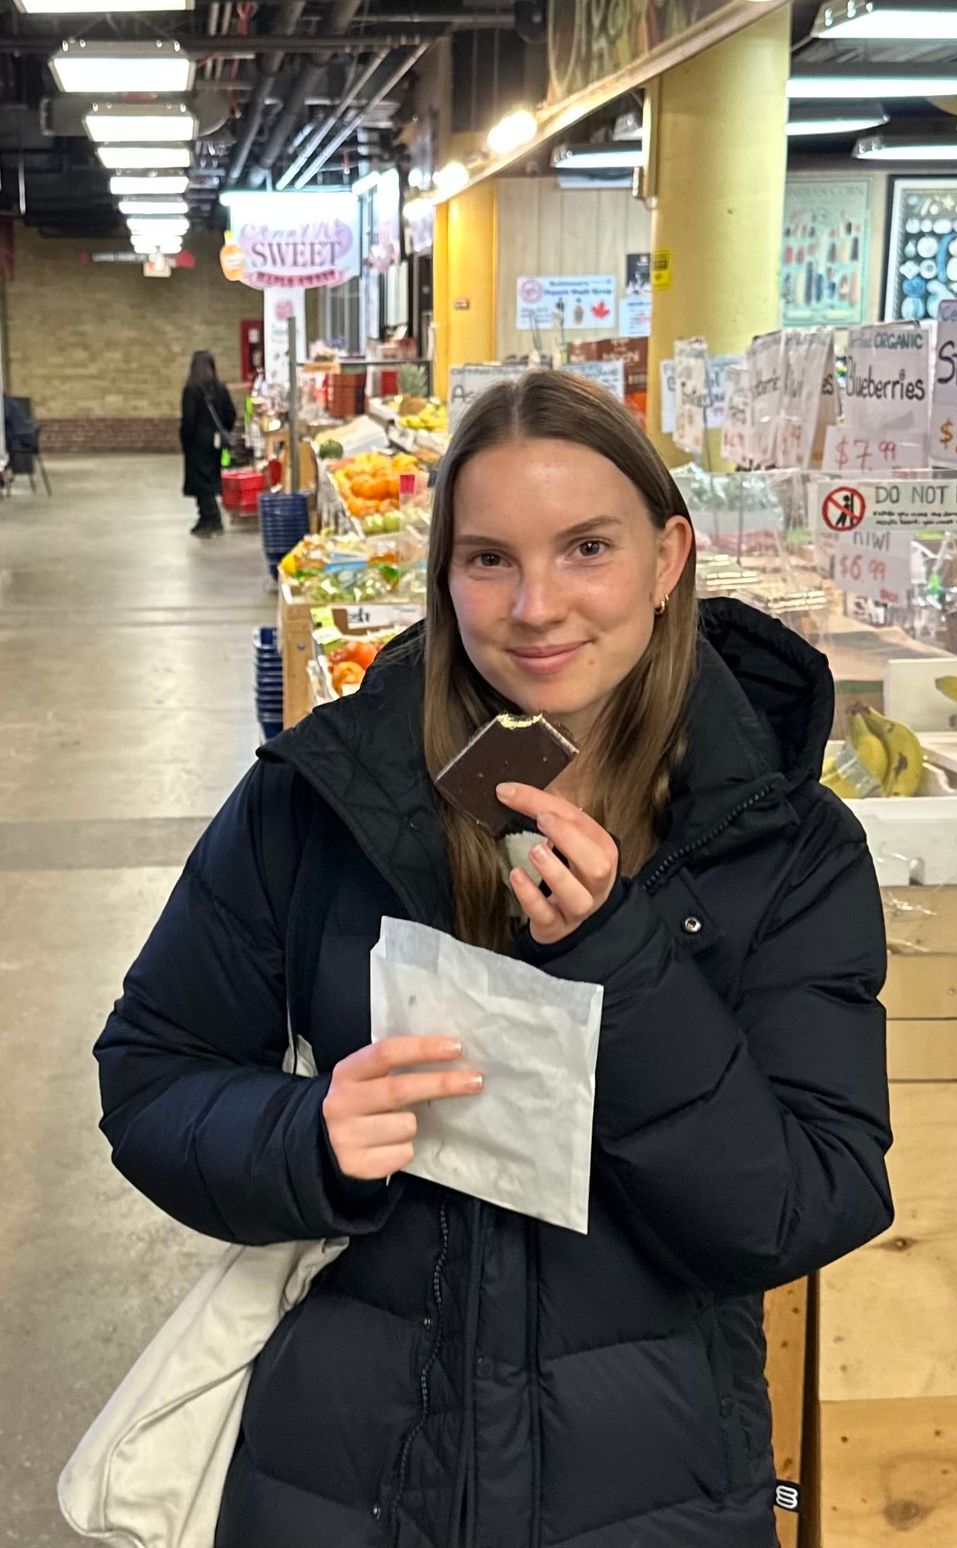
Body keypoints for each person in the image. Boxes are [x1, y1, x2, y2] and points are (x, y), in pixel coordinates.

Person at [95, 372, 893, 1548]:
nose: (534, 606)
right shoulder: (325, 800)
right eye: (487, 559)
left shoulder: (780, 846)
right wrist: (304, 1138)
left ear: (668, 559)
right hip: (345, 1480)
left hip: (648, 1486)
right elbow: (152, 1075)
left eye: (585, 549)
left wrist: (621, 964)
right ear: (443, 571)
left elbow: (806, 1202)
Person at [180, 350, 236, 538]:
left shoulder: (191, 389)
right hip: (216, 442)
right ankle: (204, 518)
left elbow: (189, 420)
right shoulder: (221, 388)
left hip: (197, 444)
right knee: (211, 478)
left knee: (200, 483)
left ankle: (213, 520)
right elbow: (231, 415)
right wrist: (223, 432)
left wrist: (185, 441)